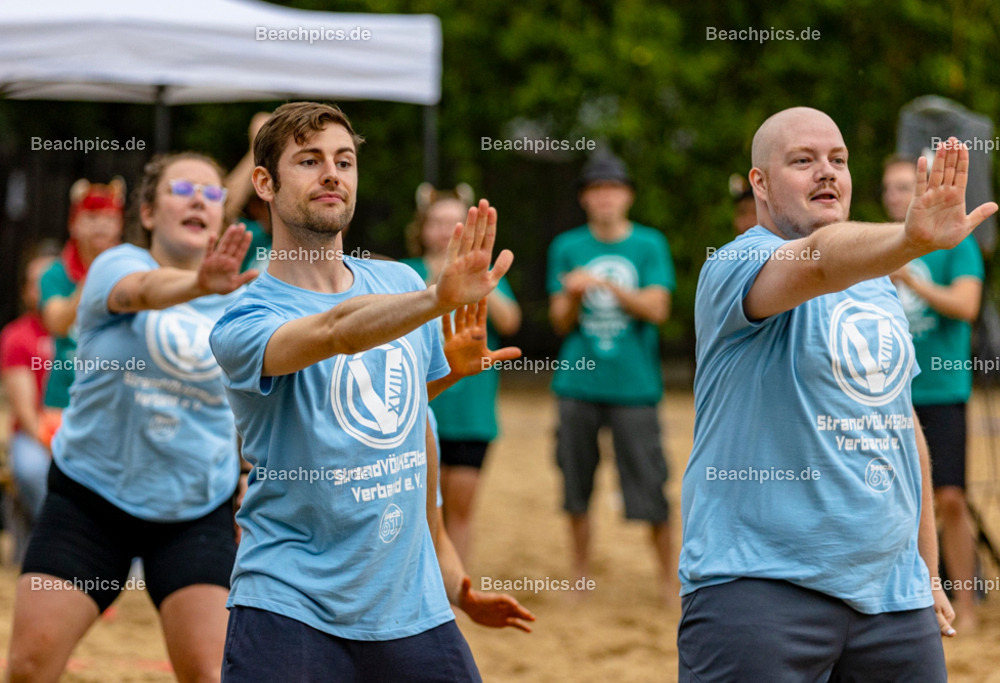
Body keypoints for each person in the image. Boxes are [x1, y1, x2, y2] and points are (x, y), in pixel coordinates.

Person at [209, 101, 532, 681]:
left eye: (344, 161)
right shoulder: (244, 319)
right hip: (289, 604)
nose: (332, 174)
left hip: (411, 606)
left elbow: (406, 429)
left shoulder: (399, 282)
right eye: (309, 161)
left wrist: (453, 580)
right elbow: (336, 333)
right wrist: (434, 300)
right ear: (264, 182)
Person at [678, 107, 996, 681]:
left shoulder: (877, 285)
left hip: (893, 600)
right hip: (760, 589)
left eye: (839, 159)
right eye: (803, 160)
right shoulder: (735, 263)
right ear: (760, 184)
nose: (827, 171)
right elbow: (820, 261)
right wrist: (908, 239)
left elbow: (899, 424)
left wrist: (924, 570)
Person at [5, 152, 258, 683]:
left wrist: (246, 471)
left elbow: (256, 398)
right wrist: (198, 285)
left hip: (194, 510)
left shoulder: (247, 298)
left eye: (212, 194)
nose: (198, 200)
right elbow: (138, 293)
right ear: (146, 212)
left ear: (222, 216)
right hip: (90, 499)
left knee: (212, 674)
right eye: (181, 190)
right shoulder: (116, 264)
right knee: (28, 669)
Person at [547, 150, 677, 604]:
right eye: (596, 190)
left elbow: (658, 309)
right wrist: (572, 294)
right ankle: (580, 577)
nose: (605, 198)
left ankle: (668, 582)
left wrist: (607, 286)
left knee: (651, 485)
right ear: (585, 198)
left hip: (635, 387)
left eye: (613, 189)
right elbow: (559, 322)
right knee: (575, 485)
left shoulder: (649, 244)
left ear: (627, 196)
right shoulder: (566, 246)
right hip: (576, 385)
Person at [883, 153, 985, 632]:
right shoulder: (879, 243)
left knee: (950, 498)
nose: (894, 196)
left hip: (942, 388)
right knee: (891, 501)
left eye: (904, 187)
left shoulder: (955, 243)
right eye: (888, 188)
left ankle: (966, 602)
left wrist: (908, 280)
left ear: (924, 189)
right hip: (887, 392)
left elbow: (966, 305)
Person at [403, 182, 521, 564]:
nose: (445, 231)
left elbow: (511, 320)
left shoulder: (484, 273)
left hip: (471, 416)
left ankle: (454, 588)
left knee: (460, 512)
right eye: (437, 222)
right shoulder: (405, 273)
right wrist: (435, 283)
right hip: (416, 412)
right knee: (420, 512)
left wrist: (478, 278)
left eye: (455, 222)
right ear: (423, 228)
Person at [38, 178, 124, 411]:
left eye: (110, 218)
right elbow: (56, 323)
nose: (102, 225)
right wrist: (95, 276)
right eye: (92, 217)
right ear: (73, 224)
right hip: (63, 401)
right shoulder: (55, 274)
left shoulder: (133, 271)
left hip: (115, 401)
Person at [0, 244, 58, 549]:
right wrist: (57, 444)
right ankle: (57, 539)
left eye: (51, 280)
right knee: (34, 468)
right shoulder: (17, 337)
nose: (45, 289)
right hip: (34, 433)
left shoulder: (88, 332)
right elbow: (26, 415)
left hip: (84, 432)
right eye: (37, 282)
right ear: (25, 291)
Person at [224, 112, 274, 273]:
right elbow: (221, 208)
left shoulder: (308, 234)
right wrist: (256, 149)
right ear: (255, 208)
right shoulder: (249, 236)